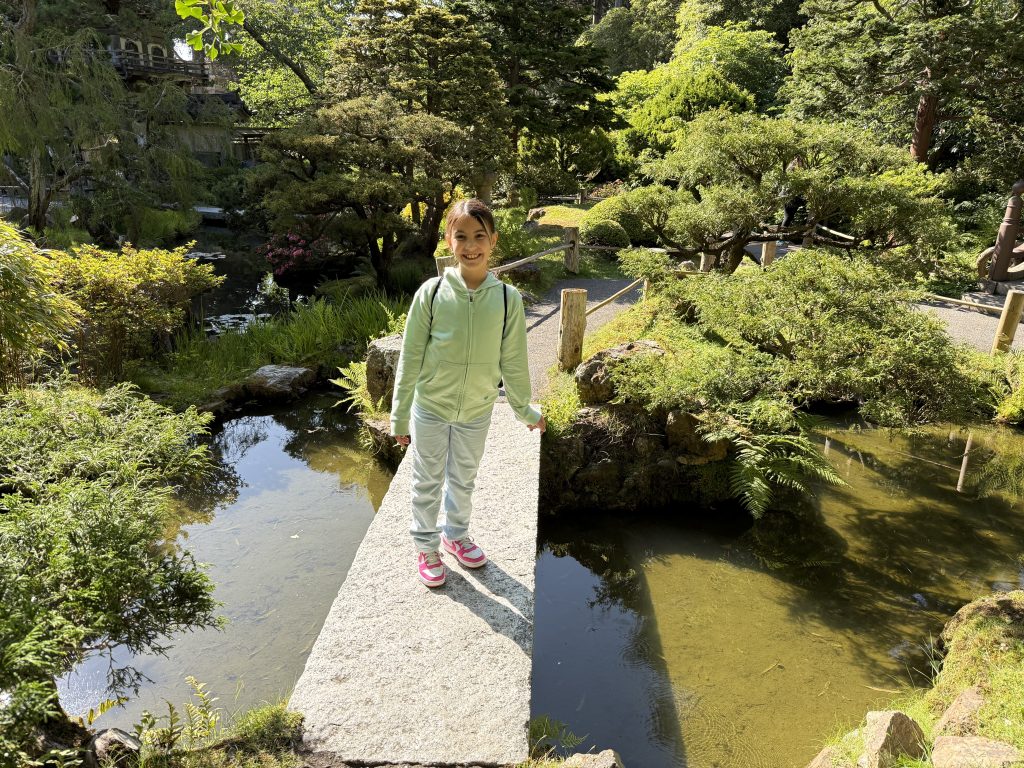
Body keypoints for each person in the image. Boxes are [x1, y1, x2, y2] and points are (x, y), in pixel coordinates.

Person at [390, 198, 546, 588]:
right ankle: (426, 547)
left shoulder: (508, 298)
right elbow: (410, 356)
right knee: (427, 478)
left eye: (479, 236)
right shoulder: (432, 292)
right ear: (448, 241)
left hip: (477, 409)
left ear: (493, 240)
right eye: (461, 236)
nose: (470, 245)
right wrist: (399, 415)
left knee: (464, 478)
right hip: (431, 407)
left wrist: (525, 410)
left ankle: (455, 535)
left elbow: (513, 360)